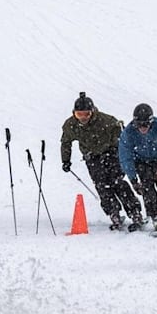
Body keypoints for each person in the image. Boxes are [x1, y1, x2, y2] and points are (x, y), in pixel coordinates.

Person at [61, 92, 144, 231]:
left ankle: (135, 213)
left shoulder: (106, 121)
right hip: (92, 157)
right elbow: (65, 142)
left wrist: (118, 151)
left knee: (117, 182)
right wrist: (66, 160)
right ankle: (113, 213)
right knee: (101, 186)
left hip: (111, 153)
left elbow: (121, 135)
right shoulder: (71, 125)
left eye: (86, 114)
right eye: (79, 115)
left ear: (92, 112)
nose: (83, 118)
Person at [117, 102, 157, 233]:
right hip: (141, 162)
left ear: (151, 122)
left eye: (146, 124)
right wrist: (133, 179)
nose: (143, 128)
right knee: (147, 189)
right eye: (139, 125)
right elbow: (125, 156)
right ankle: (156, 217)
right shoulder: (128, 133)